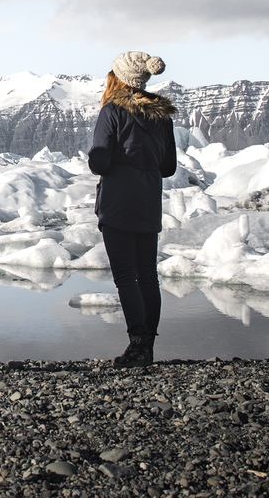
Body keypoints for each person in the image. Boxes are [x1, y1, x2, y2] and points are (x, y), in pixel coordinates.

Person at [88, 51, 177, 368]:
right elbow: (168, 167)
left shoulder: (112, 111)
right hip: (148, 202)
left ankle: (137, 346)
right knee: (148, 277)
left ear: (119, 77)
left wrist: (108, 158)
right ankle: (147, 347)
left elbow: (99, 162)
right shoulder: (162, 116)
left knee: (126, 277)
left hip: (118, 203)